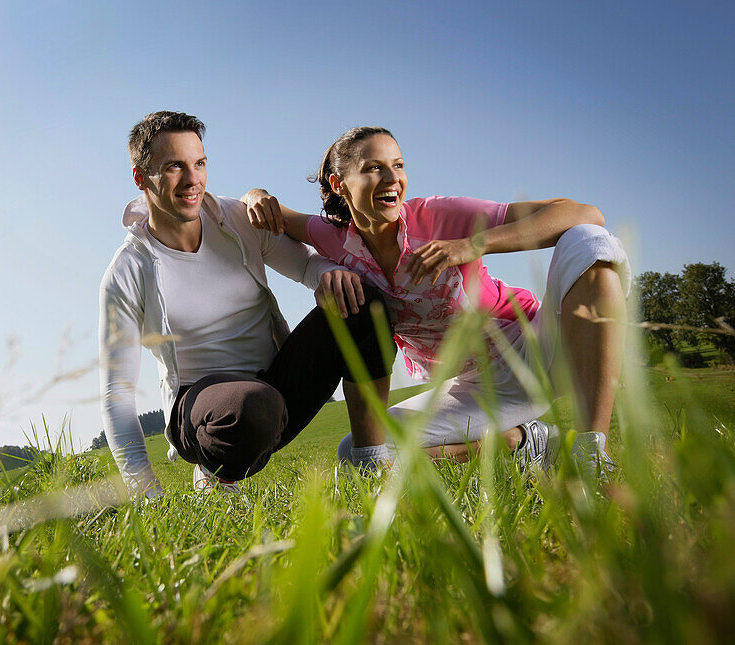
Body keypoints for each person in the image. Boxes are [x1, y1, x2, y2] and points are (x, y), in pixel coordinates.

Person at [242, 126, 629, 476]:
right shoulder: (333, 238)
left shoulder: (440, 216)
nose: (393, 179)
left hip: (537, 349)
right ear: (339, 184)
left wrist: (473, 244)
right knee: (361, 453)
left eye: (398, 165)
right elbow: (270, 211)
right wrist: (254, 195)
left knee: (588, 240)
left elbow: (584, 213)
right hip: (477, 387)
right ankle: (523, 443)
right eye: (374, 168)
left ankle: (591, 454)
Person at [99, 112, 395, 499]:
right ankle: (215, 473)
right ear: (141, 178)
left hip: (275, 387)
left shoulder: (236, 220)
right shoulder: (128, 271)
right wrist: (146, 494)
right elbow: (117, 393)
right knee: (253, 406)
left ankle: (370, 462)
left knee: (361, 301)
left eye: (199, 163)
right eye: (174, 167)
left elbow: (305, 263)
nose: (192, 180)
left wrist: (327, 274)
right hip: (203, 411)